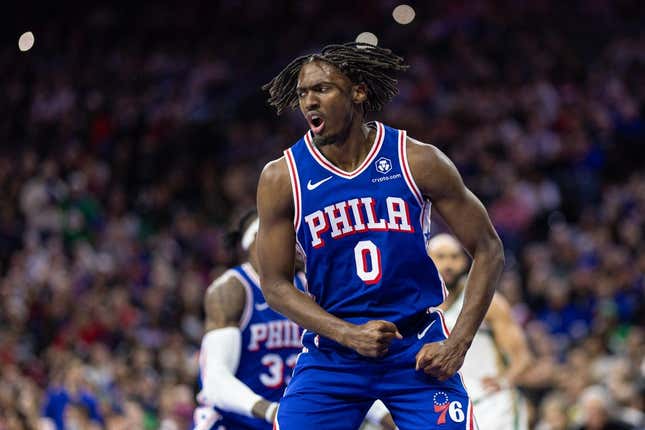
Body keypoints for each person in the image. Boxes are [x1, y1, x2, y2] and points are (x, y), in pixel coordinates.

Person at [257, 43, 504, 429]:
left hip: (415, 346)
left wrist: (458, 344)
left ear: (358, 91)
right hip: (333, 351)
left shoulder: (416, 159)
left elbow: (489, 248)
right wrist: (348, 334)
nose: (309, 102)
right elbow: (274, 284)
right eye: (303, 93)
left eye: (322, 89)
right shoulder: (281, 177)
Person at [192, 210, 395, 430]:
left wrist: (387, 418)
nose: (296, 247)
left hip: (291, 417)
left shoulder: (310, 288)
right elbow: (214, 381)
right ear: (259, 242)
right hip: (234, 421)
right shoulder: (233, 288)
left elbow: (340, 369)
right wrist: (271, 411)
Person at [429, 233, 532, 430]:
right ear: (427, 260)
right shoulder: (418, 304)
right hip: (449, 407)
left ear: (465, 261)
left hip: (492, 405)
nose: (448, 264)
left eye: (454, 257)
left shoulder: (488, 301)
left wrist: (505, 381)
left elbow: (522, 358)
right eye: (440, 257)